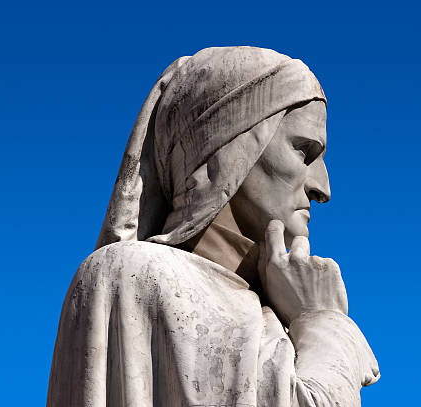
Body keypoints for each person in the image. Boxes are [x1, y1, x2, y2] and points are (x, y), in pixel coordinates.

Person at [47, 46, 379, 407]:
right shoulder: (131, 274)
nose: (322, 189)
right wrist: (323, 321)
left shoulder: (282, 322)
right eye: (304, 151)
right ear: (228, 143)